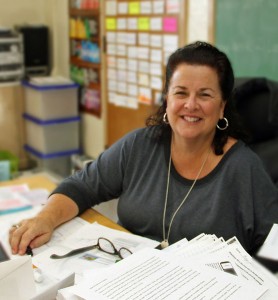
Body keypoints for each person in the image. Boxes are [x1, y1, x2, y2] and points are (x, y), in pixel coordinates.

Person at [9, 41, 278, 260]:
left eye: (205, 95)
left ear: (222, 107)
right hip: (131, 276)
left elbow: (273, 250)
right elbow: (81, 186)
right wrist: (44, 218)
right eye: (181, 93)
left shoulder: (244, 167)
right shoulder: (140, 145)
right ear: (167, 98)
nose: (191, 104)